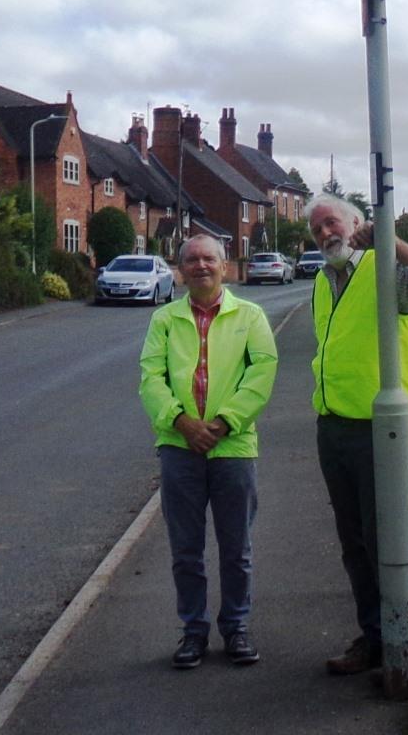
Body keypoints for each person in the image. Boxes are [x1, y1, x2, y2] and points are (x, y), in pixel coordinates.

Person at [305, 193, 408, 676]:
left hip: (379, 432)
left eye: (333, 223)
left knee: (386, 541)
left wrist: (390, 241)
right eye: (317, 229)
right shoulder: (324, 281)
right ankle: (374, 638)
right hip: (335, 430)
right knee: (353, 544)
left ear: (356, 225)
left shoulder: (387, 272)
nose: (327, 233)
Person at [139, 235, 277, 670]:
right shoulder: (164, 319)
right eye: (192, 259)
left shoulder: (250, 316)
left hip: (233, 446)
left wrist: (222, 424)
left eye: (209, 258)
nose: (201, 265)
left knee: (236, 547)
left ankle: (236, 628)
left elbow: (263, 371)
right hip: (179, 448)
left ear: (224, 265)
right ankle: (193, 632)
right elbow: (150, 378)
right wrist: (181, 422)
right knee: (186, 549)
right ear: (180, 269)